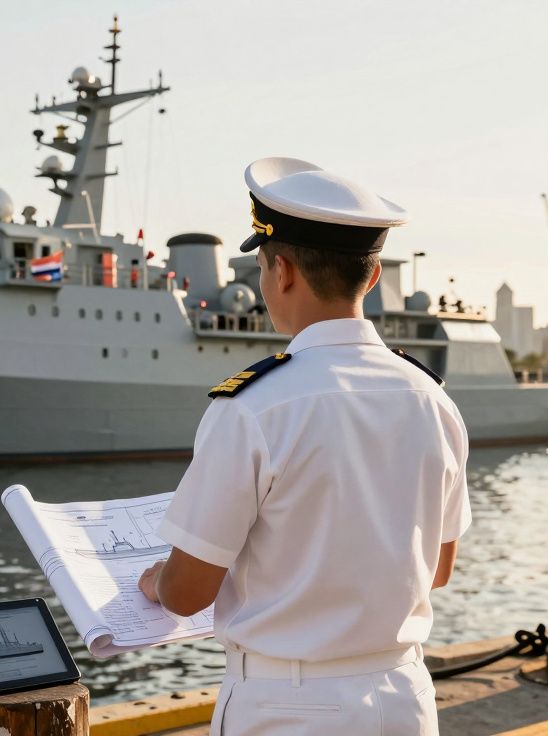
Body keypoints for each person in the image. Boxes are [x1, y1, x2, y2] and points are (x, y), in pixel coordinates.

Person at [138, 157, 470, 735]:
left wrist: (152, 581)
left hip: (287, 707)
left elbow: (187, 594)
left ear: (280, 271)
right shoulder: (431, 399)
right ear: (370, 278)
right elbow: (438, 569)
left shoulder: (251, 407)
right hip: (403, 698)